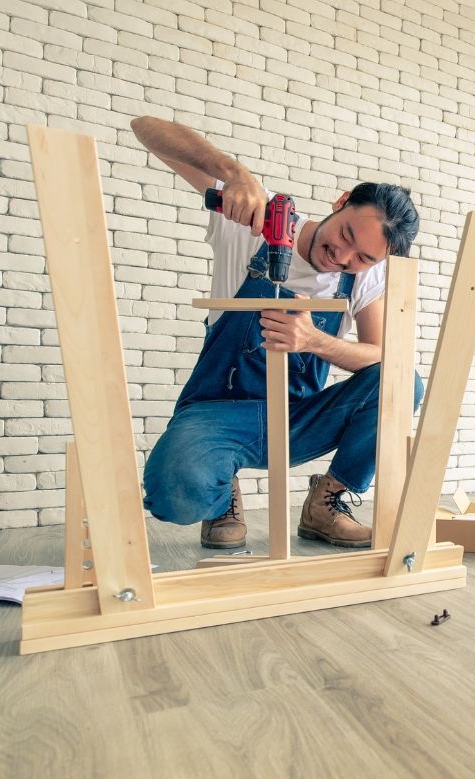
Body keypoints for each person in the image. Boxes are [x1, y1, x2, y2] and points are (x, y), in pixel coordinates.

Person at [130, 116, 423, 550]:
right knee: (174, 495)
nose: (342, 256)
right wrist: (233, 174)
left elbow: (384, 355)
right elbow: (145, 129)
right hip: (219, 412)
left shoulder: (365, 280)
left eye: (362, 257)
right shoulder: (259, 223)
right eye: (345, 234)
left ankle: (327, 501)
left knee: (402, 382)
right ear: (341, 202)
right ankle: (219, 493)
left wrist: (315, 341)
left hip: (295, 419)